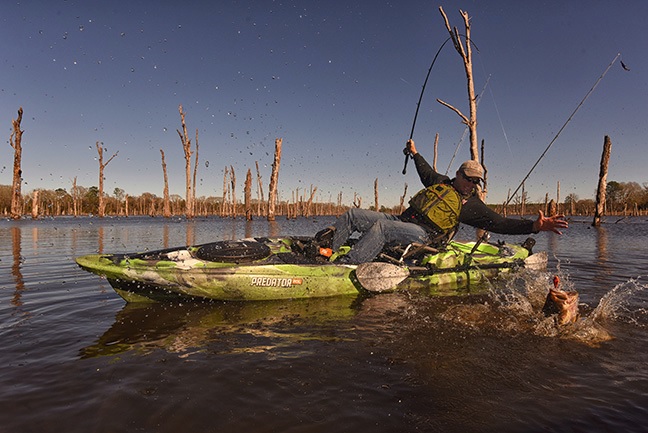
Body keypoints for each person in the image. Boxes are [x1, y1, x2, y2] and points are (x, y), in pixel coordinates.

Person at [315, 139, 568, 264]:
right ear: (458, 174)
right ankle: (326, 253)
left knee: (381, 228)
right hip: (401, 220)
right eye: (468, 178)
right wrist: (414, 153)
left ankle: (347, 267)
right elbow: (425, 171)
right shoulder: (442, 183)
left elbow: (500, 223)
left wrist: (535, 227)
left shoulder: (471, 204)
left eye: (475, 182)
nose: (471, 184)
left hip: (423, 235)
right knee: (353, 215)